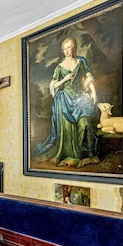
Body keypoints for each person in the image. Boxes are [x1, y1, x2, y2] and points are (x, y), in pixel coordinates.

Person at [32, 37, 98, 167]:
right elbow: (53, 85)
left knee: (85, 124)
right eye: (65, 48)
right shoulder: (59, 67)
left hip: (79, 100)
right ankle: (69, 155)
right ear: (63, 50)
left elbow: (87, 77)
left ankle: (88, 155)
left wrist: (94, 92)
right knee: (66, 130)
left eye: (70, 47)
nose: (67, 50)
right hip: (64, 101)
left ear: (74, 48)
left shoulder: (81, 62)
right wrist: (65, 79)